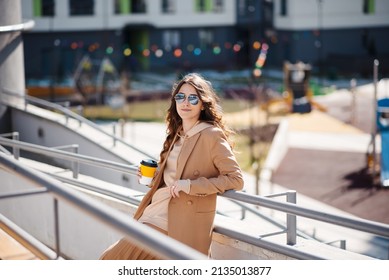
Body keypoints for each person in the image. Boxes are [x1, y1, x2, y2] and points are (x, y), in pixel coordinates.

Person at [99, 73, 244, 259]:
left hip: (177, 220)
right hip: (155, 209)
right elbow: (172, 177)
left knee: (110, 258)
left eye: (193, 98)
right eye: (180, 97)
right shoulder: (177, 133)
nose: (185, 102)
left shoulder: (211, 135)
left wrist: (190, 186)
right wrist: (154, 178)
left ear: (202, 104)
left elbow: (236, 179)